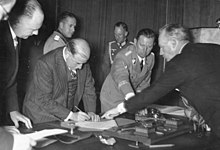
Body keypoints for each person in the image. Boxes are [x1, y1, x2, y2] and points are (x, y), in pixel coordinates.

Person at [102, 23, 220, 138]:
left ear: (173, 43)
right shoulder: (212, 48)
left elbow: (154, 91)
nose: (161, 53)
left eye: (162, 47)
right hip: (115, 96)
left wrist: (120, 109)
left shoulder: (179, 63)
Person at [23, 38, 100, 124]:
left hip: (65, 115)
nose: (81, 67)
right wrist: (71, 115)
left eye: (84, 63)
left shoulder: (82, 61)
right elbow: (43, 99)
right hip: (40, 115)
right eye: (77, 63)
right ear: (68, 54)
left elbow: (88, 89)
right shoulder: (45, 64)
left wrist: (91, 112)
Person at [0, 0, 40, 149]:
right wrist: (7, 140)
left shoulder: (17, 36)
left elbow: (9, 78)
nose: (36, 33)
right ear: (18, 20)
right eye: (33, 28)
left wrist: (13, 110)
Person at [100, 28, 156, 112]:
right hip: (112, 97)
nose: (145, 50)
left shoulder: (151, 58)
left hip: (131, 97)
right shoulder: (123, 56)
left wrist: (141, 102)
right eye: (142, 45)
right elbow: (121, 77)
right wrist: (133, 100)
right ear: (135, 42)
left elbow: (144, 82)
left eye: (149, 47)